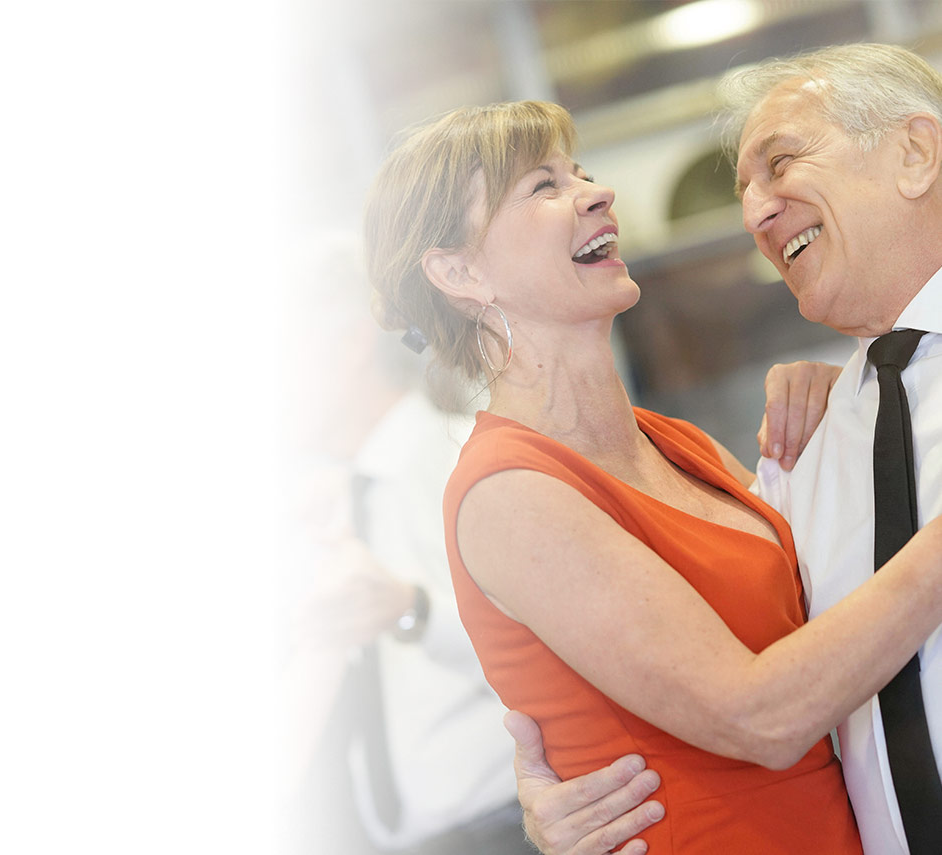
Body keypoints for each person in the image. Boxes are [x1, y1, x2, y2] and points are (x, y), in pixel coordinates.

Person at [362, 96, 942, 855]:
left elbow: (831, 617)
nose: (595, 193)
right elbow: (757, 715)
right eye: (544, 187)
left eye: (583, 173)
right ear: (458, 270)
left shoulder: (677, 446)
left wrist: (849, 396)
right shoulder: (506, 493)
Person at [279, 234, 532, 855]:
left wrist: (410, 608)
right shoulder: (342, 502)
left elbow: (548, 634)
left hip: (505, 826)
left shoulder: (459, 460)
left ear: (349, 346)